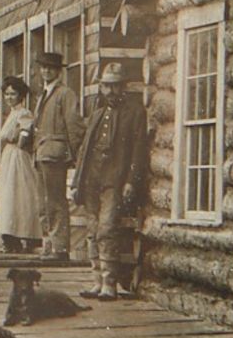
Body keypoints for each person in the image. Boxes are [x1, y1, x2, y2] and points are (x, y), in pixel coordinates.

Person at [73, 61, 150, 298]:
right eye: (106, 86)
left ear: (123, 87)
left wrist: (131, 181)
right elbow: (85, 150)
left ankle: (109, 282)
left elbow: (138, 149)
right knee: (92, 229)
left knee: (107, 228)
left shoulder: (135, 113)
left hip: (114, 179)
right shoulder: (97, 114)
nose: (110, 91)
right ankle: (96, 280)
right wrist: (77, 181)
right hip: (91, 179)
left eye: (115, 86)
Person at [32, 51, 86, 264]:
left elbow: (74, 125)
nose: (46, 71)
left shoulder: (65, 94)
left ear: (58, 71)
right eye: (43, 67)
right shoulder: (43, 94)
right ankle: (48, 245)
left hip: (55, 154)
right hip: (41, 153)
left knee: (55, 201)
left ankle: (61, 248)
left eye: (50, 68)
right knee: (42, 203)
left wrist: (73, 153)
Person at [0, 76, 42, 254]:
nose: (9, 97)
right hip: (9, 156)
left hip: (18, 156)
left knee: (19, 196)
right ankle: (10, 237)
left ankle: (23, 236)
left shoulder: (23, 113)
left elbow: (24, 137)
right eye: (6, 94)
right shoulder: (12, 113)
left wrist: (17, 136)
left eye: (13, 94)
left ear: (20, 95)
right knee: (9, 196)